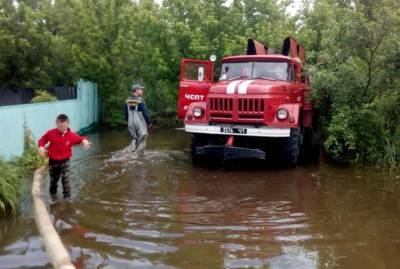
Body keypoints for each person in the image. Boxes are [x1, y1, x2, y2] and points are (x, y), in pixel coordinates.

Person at [37, 114, 91, 200]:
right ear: (56, 123)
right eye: (59, 123)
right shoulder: (51, 133)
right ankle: (53, 198)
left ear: (67, 124)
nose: (62, 125)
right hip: (53, 161)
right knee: (53, 181)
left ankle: (67, 201)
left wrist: (84, 141)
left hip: (65, 161)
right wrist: (41, 147)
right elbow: (42, 140)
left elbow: (80, 139)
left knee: (66, 181)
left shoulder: (71, 135)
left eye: (64, 123)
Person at [124, 83, 151, 153]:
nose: (142, 91)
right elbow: (145, 113)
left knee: (135, 139)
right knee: (142, 139)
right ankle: (140, 158)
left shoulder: (127, 100)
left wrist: (128, 122)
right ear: (136, 90)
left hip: (130, 123)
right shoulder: (140, 100)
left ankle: (133, 155)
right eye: (141, 89)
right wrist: (149, 122)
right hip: (139, 122)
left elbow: (126, 113)